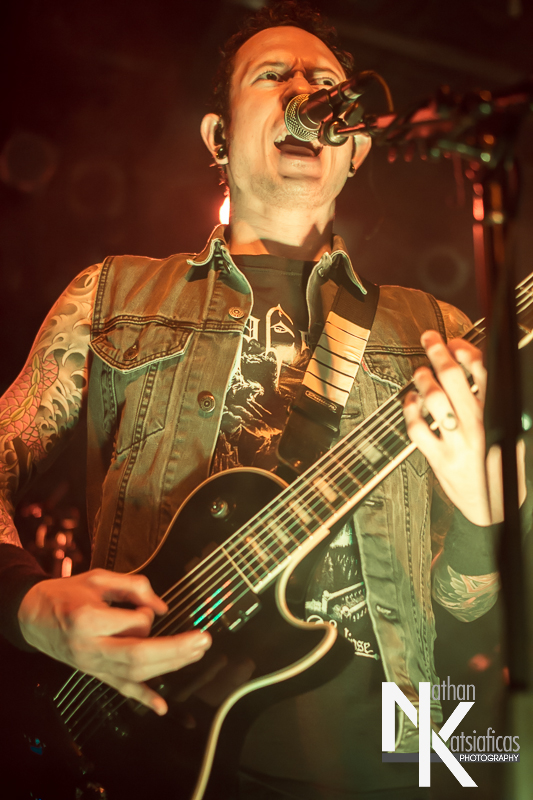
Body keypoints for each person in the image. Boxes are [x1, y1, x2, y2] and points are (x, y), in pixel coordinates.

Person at [0, 3, 523, 799]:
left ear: (356, 144)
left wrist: (483, 517)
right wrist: (29, 605)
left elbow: (462, 604)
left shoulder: (438, 334)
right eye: (272, 75)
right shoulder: (111, 297)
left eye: (325, 83)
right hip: (141, 752)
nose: (304, 93)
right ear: (217, 137)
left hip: (388, 763)